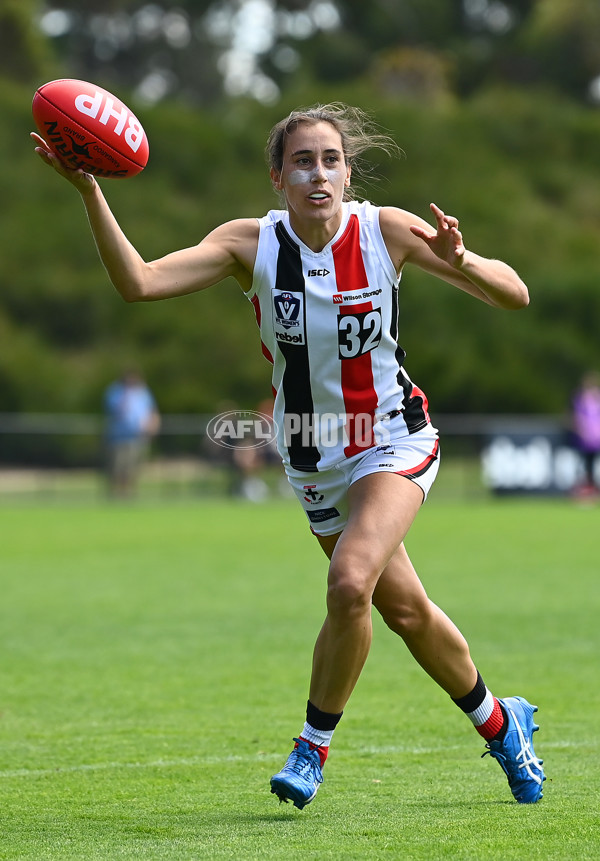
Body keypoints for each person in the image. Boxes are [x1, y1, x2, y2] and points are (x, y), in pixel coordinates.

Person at [32, 102, 544, 807]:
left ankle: (312, 745)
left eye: (331, 160)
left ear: (348, 173)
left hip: (393, 437)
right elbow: (139, 282)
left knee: (347, 581)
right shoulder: (251, 246)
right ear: (278, 177)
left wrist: (467, 261)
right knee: (406, 612)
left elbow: (515, 296)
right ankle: (501, 720)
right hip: (314, 459)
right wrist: (91, 191)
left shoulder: (385, 231)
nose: (318, 173)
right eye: (302, 161)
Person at [104, 369, 160, 497]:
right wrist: (126, 395)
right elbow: (115, 410)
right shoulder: (115, 392)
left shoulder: (143, 392)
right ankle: (116, 494)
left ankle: (129, 493)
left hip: (138, 436)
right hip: (118, 437)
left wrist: (153, 425)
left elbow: (151, 410)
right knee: (118, 467)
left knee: (134, 467)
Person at [571, 371, 600, 497]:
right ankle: (586, 489)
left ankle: (592, 489)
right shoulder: (580, 399)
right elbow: (577, 418)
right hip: (586, 440)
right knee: (586, 465)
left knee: (593, 465)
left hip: (597, 439)